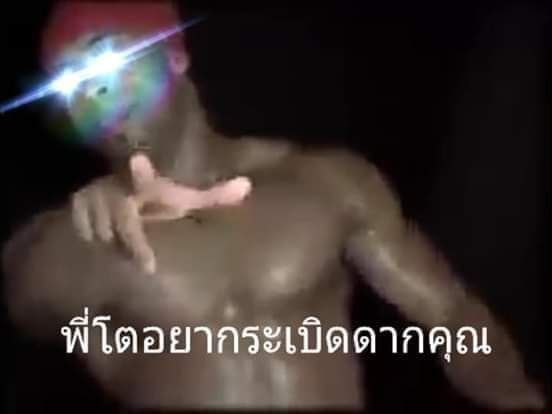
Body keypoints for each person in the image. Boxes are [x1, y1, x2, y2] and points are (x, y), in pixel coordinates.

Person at [2, 1, 545, 411]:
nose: (98, 100)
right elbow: (20, 294)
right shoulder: (86, 236)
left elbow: (450, 316)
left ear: (175, 55)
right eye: (73, 88)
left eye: (111, 65)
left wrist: (519, 400)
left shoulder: (323, 182)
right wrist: (64, 229)